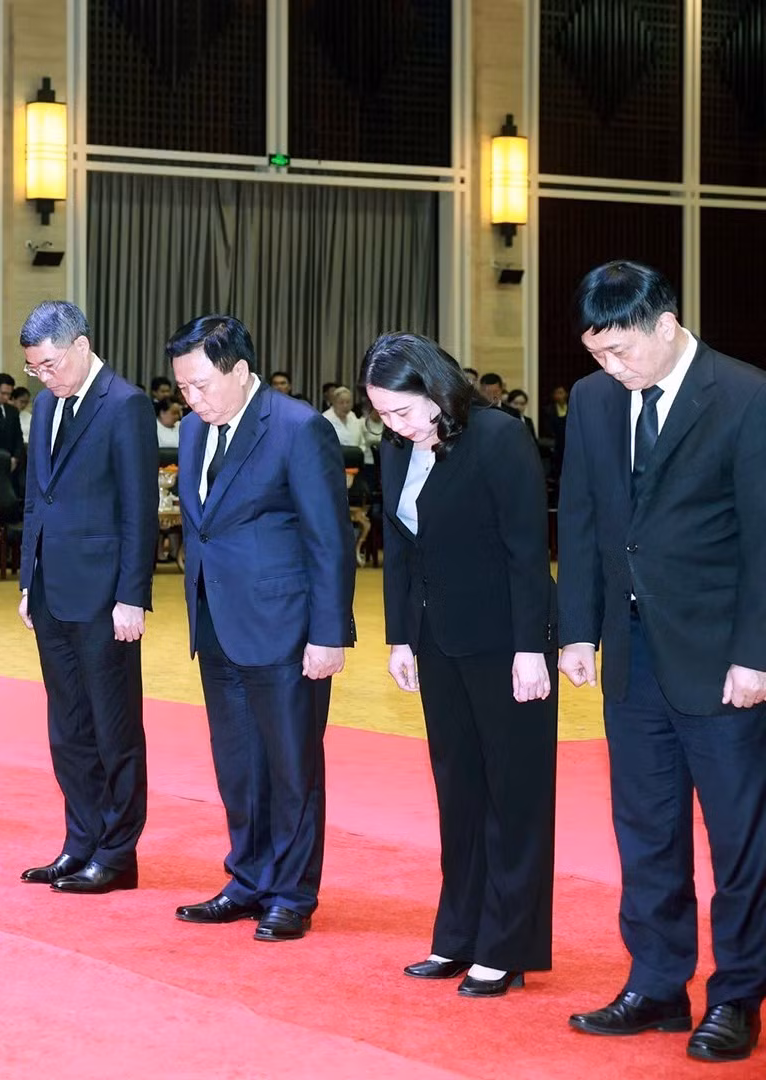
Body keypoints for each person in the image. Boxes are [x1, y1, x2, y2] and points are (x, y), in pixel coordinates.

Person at [556, 262, 766, 1063]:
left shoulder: (745, 396)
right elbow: (581, 519)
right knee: (645, 829)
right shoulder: (594, 400)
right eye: (597, 353)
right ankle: (655, 984)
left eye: (621, 350)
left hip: (721, 659)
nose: (611, 367)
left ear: (667, 325)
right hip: (633, 655)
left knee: (740, 839)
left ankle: (738, 993)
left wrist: (756, 654)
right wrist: (578, 630)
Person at [364, 332, 557, 999]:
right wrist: (399, 637)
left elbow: (527, 550)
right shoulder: (397, 448)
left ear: (435, 388)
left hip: (506, 641)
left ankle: (506, 945)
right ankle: (458, 933)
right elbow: (401, 548)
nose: (394, 425)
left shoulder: (499, 438)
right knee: (459, 791)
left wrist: (532, 647)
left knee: (514, 794)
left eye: (402, 410)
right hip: (437, 639)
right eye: (382, 414)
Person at [168, 315, 355, 942]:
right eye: (182, 387)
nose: (190, 399)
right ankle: (247, 879)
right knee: (238, 764)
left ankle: (291, 894)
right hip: (217, 621)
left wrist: (329, 633)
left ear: (241, 371)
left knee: (291, 764)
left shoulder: (298, 428)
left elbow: (329, 540)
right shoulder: (193, 430)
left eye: (200, 384)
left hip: (286, 627)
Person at [13, 301, 158, 894]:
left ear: (80, 345)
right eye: (33, 369)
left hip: (104, 597)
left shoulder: (124, 405)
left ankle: (117, 854)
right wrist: (28, 578)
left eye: (48, 365)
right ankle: (81, 841)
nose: (41, 377)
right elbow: (36, 497)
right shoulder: (49, 404)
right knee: (67, 728)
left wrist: (132, 595)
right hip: (52, 590)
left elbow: (139, 509)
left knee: (112, 728)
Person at [321, 386, 367, 451]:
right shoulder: (325, 418)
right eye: (341, 402)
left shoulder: (353, 416)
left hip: (355, 455)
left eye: (348, 402)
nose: (345, 406)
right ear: (334, 403)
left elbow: (362, 441)